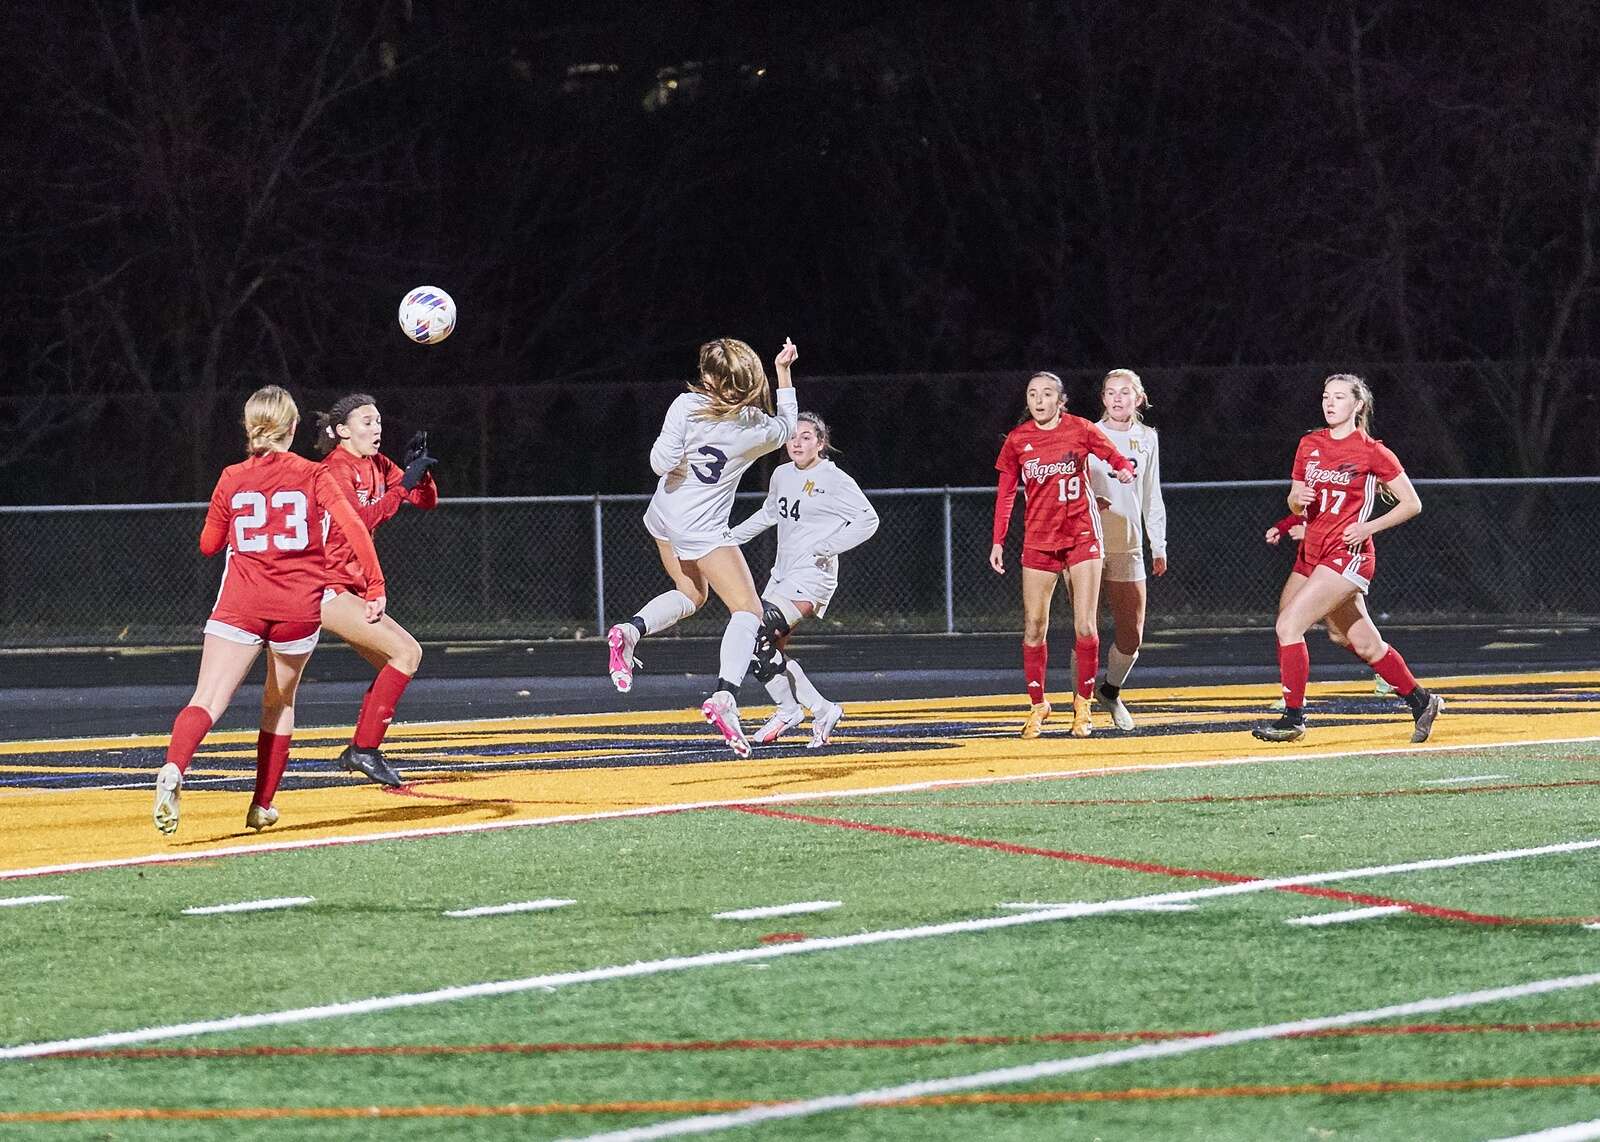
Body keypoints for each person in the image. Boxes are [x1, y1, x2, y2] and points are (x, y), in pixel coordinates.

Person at [153, 386, 387, 835]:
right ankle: (261, 804)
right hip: (297, 606)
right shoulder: (314, 474)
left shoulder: (231, 476)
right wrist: (375, 586)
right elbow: (354, 527)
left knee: (206, 700)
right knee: (279, 704)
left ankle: (175, 767)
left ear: (249, 427)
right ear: (294, 428)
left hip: (241, 602)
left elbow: (207, 546)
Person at [606, 338, 799, 756]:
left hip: (664, 513)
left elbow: (659, 463)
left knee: (692, 594)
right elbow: (788, 425)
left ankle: (629, 631)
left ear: (710, 378)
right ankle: (725, 695)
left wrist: (678, 459)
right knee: (747, 610)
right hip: (701, 528)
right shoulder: (754, 428)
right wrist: (784, 373)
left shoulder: (684, 406)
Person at [1252, 374, 1444, 743]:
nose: (1329, 403)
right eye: (1326, 396)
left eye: (1339, 397)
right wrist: (1298, 501)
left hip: (1348, 555)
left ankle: (1293, 718)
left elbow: (1412, 503)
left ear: (1358, 405)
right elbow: (1294, 498)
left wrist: (1368, 528)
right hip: (1312, 554)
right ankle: (1421, 701)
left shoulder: (1373, 451)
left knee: (1288, 626)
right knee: (1361, 642)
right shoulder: (1309, 444)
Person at [990, 371, 1134, 738]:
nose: (1039, 400)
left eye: (1047, 393)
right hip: (1038, 542)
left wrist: (1123, 469)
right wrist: (998, 541)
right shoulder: (1018, 440)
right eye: (1033, 393)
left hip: (1082, 537)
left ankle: (1082, 705)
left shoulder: (1080, 428)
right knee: (1034, 628)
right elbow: (1006, 493)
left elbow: (1113, 456)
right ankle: (1039, 705)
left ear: (1061, 400)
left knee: (1085, 624)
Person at [725, 412, 880, 748]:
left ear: (820, 444)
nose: (797, 441)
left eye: (807, 436)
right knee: (761, 650)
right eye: (793, 436)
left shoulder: (833, 478)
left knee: (755, 631)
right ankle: (816, 709)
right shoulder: (782, 474)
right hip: (782, 574)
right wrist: (729, 538)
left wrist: (828, 547)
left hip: (812, 576)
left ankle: (790, 709)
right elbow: (770, 513)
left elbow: (868, 520)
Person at [314, 394, 440, 787]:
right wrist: (402, 486)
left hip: (347, 585)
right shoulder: (334, 470)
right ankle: (363, 750)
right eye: (366, 422)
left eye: (379, 421)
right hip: (322, 584)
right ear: (341, 431)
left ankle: (362, 748)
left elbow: (426, 502)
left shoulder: (376, 464)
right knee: (404, 653)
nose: (377, 428)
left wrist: (421, 473)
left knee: (402, 658)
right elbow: (362, 518)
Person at [1085, 368, 1167, 731]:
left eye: (1125, 392)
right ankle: (1080, 704)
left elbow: (1151, 495)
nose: (1118, 398)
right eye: (1111, 392)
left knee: (1131, 635)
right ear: (1103, 398)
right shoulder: (1087, 433)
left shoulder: (1147, 438)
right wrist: (1091, 501)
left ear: (1138, 398)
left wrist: (1158, 544)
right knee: (1084, 627)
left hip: (1129, 542)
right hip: (1087, 541)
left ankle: (1110, 690)